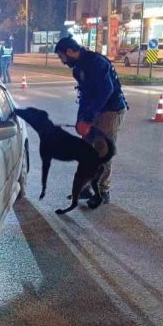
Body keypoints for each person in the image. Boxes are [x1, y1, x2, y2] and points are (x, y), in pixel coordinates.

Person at [54, 36, 128, 204]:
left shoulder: (96, 62)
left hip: (111, 110)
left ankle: (102, 192)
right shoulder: (77, 69)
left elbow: (106, 90)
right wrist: (81, 119)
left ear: (70, 51)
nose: (62, 61)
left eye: (62, 56)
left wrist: (88, 117)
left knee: (102, 151)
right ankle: (86, 188)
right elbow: (84, 95)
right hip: (93, 112)